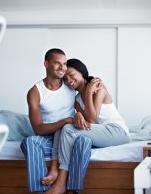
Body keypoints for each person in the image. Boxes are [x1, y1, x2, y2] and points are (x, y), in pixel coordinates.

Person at [45, 58, 130, 194]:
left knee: (67, 128)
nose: (68, 80)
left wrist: (89, 91)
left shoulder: (98, 86)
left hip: (117, 131)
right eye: (65, 78)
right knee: (63, 126)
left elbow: (91, 117)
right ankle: (57, 172)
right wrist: (77, 115)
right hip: (100, 132)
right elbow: (86, 123)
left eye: (71, 74)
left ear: (81, 71)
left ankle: (61, 181)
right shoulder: (76, 99)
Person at [20, 48, 77, 192]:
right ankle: (39, 191)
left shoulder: (71, 84)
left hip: (68, 137)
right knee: (29, 142)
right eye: (57, 63)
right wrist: (65, 121)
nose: (62, 68)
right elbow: (38, 129)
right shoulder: (35, 92)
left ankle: (56, 173)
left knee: (65, 131)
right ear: (46, 64)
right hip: (48, 138)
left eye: (64, 64)